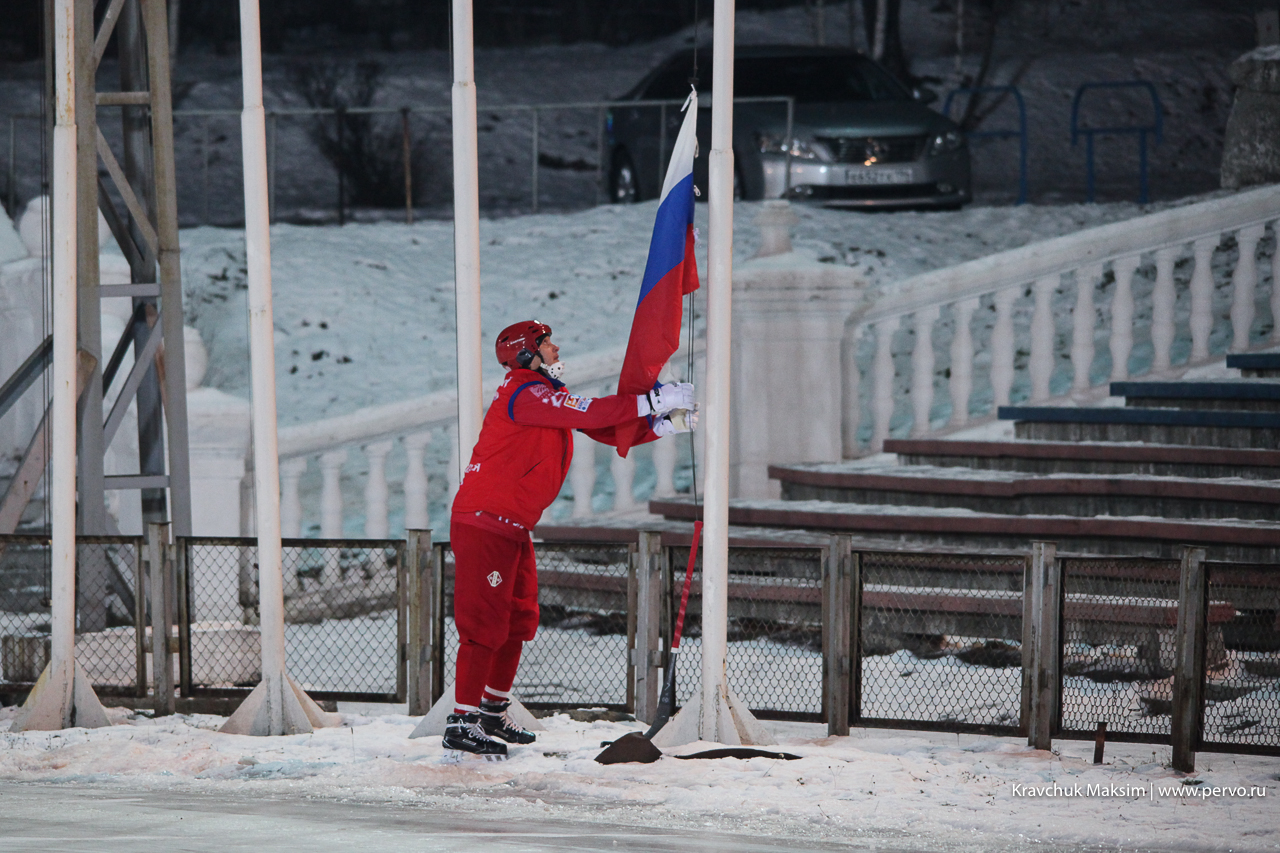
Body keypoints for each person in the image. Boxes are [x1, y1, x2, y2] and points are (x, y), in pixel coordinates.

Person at [444, 320, 697, 760]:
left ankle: (491, 710)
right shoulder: (524, 394)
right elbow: (592, 413)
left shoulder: (542, 398)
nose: (556, 348)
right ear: (528, 353)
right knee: (484, 625)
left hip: (511, 524)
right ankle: (460, 722)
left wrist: (663, 424)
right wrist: (653, 400)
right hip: (484, 522)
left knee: (519, 621)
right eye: (547, 343)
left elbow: (598, 427)